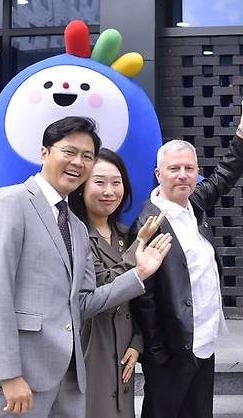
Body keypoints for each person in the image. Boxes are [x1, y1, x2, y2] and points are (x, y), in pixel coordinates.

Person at [0, 116, 172, 418]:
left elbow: (83, 303)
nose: (78, 162)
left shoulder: (76, 227)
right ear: (44, 153)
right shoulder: (10, 202)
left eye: (87, 156)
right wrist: (8, 374)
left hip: (69, 379)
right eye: (69, 151)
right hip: (20, 376)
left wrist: (139, 273)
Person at [131, 82, 243, 418]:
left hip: (203, 344)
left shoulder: (194, 205)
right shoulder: (148, 224)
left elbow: (225, 175)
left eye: (190, 169)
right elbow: (143, 298)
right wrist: (156, 353)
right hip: (172, 352)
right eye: (174, 169)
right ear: (159, 174)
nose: (183, 176)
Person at [69, 148, 166, 418]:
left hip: (123, 347)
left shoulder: (124, 234)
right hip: (91, 345)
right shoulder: (75, 235)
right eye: (99, 182)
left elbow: (139, 300)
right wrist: (139, 249)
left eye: (116, 182)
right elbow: (105, 286)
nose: (109, 191)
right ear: (81, 186)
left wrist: (137, 341)